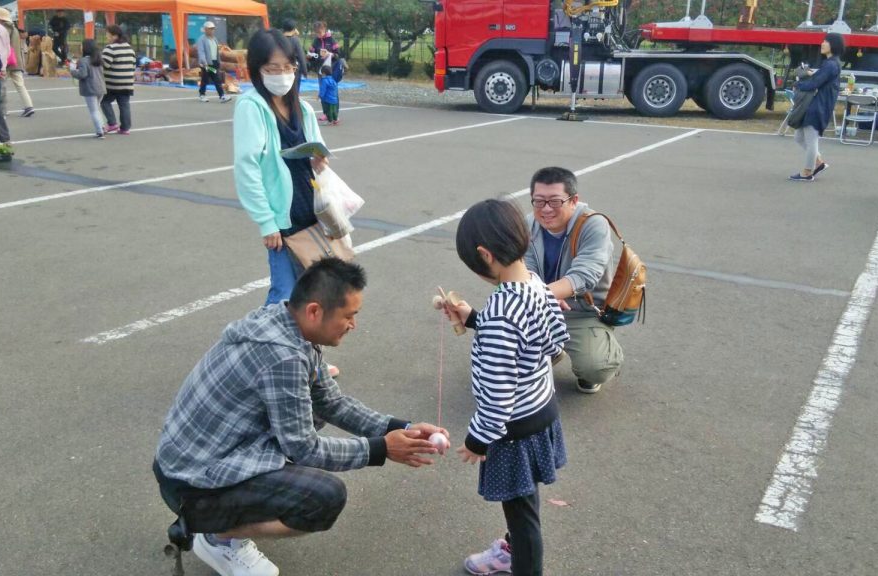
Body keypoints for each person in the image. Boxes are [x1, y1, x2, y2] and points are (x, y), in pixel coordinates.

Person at [154, 257, 447, 576]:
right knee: (323, 499)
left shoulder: (285, 321)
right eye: (349, 316)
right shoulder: (283, 356)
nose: (353, 325)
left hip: (199, 457)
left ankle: (221, 524)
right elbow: (303, 448)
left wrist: (401, 428)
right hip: (190, 479)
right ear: (314, 311)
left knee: (311, 411)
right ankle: (216, 535)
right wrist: (381, 449)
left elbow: (332, 403)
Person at [439, 199, 568, 576]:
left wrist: (477, 440)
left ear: (484, 255)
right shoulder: (535, 284)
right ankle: (515, 548)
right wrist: (474, 318)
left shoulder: (500, 314)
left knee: (523, 515)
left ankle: (521, 562)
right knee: (526, 503)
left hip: (513, 432)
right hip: (542, 412)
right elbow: (550, 342)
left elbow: (497, 399)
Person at [234, 29, 340, 378]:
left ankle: (311, 365)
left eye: (288, 66)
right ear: (257, 69)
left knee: (315, 295)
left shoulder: (302, 107)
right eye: (272, 67)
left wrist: (320, 160)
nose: (281, 74)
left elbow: (317, 147)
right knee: (283, 295)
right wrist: (266, 222)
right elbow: (247, 166)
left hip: (312, 213)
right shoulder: (251, 106)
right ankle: (254, 356)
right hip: (281, 219)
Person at [521, 167, 623, 394]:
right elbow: (525, 270)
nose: (546, 209)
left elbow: (584, 276)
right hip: (542, 305)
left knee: (595, 368)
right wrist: (544, 298)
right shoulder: (529, 224)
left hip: (582, 311)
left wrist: (544, 293)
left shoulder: (594, 224)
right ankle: (551, 348)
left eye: (555, 201)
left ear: (573, 200)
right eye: (539, 201)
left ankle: (604, 350)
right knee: (502, 353)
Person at [789, 32, 844, 182]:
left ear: (833, 45)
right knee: (799, 137)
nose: (822, 44)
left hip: (818, 105)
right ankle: (818, 162)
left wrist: (797, 84)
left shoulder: (831, 64)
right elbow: (820, 78)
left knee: (811, 139)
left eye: (826, 42)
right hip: (818, 104)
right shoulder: (831, 63)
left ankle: (807, 172)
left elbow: (815, 83)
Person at [0, 8, 34, 118]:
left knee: (1, 86)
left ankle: (3, 111)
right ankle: (29, 106)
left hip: (7, 61)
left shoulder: (4, 28)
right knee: (20, 85)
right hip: (16, 61)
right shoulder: (14, 28)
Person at [100, 25, 136, 135]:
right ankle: (125, 128)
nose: (106, 36)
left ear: (114, 36)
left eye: (107, 34)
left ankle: (112, 123)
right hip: (127, 83)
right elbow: (133, 65)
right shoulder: (130, 48)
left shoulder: (110, 48)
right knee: (124, 105)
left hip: (113, 83)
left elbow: (104, 64)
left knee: (104, 102)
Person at [69, 39, 106, 139]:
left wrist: (72, 70)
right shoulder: (98, 59)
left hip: (90, 88)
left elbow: (82, 74)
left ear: (86, 48)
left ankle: (100, 131)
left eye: (81, 46)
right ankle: (102, 127)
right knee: (97, 109)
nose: (80, 47)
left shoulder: (84, 60)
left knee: (93, 111)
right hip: (101, 87)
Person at [195, 21, 231, 103]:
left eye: (213, 29)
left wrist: (219, 61)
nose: (212, 30)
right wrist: (204, 62)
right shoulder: (202, 39)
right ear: (205, 29)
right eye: (210, 29)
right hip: (206, 63)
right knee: (207, 79)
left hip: (214, 62)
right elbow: (201, 51)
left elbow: (216, 51)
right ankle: (203, 95)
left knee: (215, 78)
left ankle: (220, 96)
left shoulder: (214, 39)